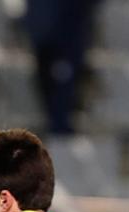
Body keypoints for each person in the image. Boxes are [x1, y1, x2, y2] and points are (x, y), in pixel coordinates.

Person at [23, 0, 102, 134]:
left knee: (63, 82)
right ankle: (58, 127)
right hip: (48, 38)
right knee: (52, 83)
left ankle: (60, 128)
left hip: (67, 36)